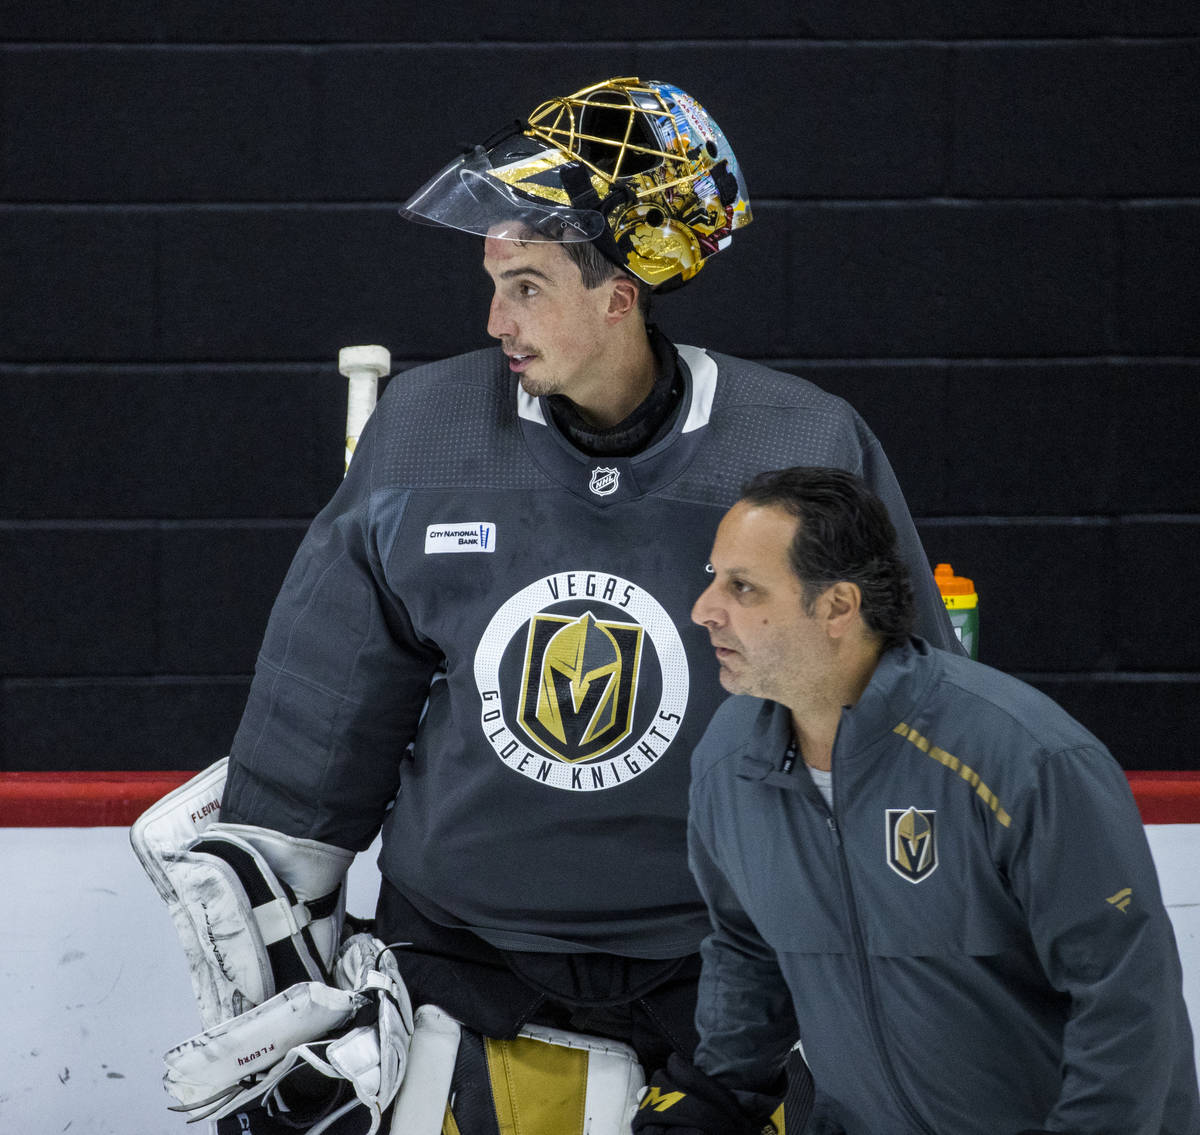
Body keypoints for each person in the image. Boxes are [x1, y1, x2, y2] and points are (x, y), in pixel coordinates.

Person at [216, 79, 960, 1125]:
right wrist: (286, 953)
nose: (494, 321)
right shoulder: (425, 429)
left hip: (724, 969)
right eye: (492, 281)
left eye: (526, 285)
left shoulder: (800, 446)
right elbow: (323, 711)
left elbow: (903, 724)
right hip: (461, 958)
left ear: (620, 294)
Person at [647, 465, 1199, 1135]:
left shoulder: (1024, 759)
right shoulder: (729, 762)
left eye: (742, 587)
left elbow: (1126, 998)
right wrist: (721, 1092)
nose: (704, 607)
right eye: (714, 577)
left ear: (837, 608)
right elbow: (749, 949)